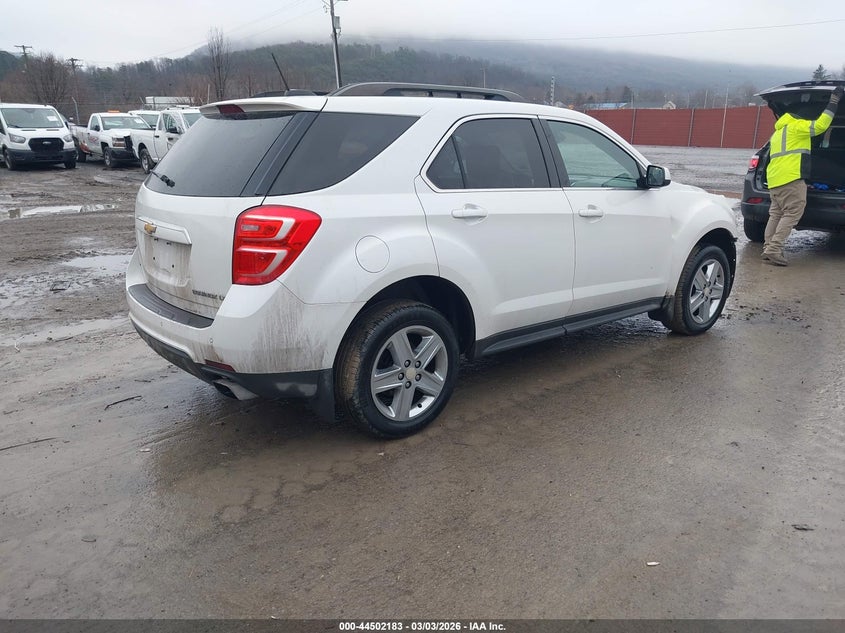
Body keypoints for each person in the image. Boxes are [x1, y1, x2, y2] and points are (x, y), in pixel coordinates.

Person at [762, 84, 843, 266]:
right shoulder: (797, 126)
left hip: (775, 180)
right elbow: (821, 125)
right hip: (791, 179)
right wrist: (834, 101)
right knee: (792, 213)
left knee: (775, 214)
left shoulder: (778, 133)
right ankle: (774, 249)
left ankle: (768, 248)